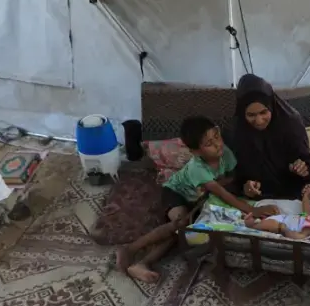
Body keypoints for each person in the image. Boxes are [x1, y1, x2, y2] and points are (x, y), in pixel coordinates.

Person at [117, 116, 278, 282]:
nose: (217, 144)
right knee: (180, 224)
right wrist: (254, 210)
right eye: (209, 144)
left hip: (197, 198)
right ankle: (130, 249)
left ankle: (141, 263)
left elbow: (233, 176)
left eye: (217, 136)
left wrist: (235, 185)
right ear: (196, 152)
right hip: (175, 193)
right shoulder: (197, 168)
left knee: (180, 232)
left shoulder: (225, 153)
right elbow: (224, 194)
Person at [231, 73, 310, 200]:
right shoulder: (238, 129)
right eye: (251, 115)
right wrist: (246, 187)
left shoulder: (291, 122)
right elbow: (237, 174)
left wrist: (303, 168)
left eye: (263, 112)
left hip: (294, 193)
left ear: (271, 106)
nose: (259, 121)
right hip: (258, 197)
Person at [245, 185, 310, 239]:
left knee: (271, 224)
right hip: (281, 218)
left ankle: (253, 226)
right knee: (271, 213)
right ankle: (256, 220)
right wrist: (306, 196)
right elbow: (306, 208)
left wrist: (284, 229)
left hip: (280, 225)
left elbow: (300, 237)